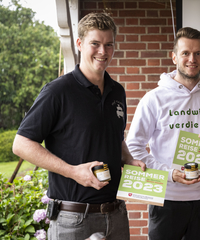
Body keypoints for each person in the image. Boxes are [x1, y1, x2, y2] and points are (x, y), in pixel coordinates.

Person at [12, 12, 145, 240]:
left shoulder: (118, 91)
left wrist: (129, 159)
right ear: (80, 44)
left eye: (109, 44)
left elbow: (115, 137)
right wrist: (74, 172)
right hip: (72, 220)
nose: (103, 51)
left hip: (116, 216)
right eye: (95, 43)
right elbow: (21, 144)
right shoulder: (57, 91)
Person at [126, 27, 200, 240]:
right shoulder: (153, 98)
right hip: (166, 198)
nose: (192, 59)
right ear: (174, 56)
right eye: (185, 53)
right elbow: (133, 147)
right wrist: (169, 174)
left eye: (198, 53)